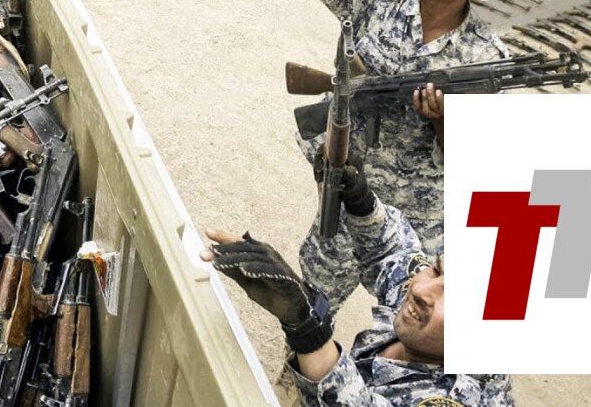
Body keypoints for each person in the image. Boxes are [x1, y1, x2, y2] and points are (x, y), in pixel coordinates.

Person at [225, 0, 508, 312]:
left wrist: (442, 121)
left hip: (419, 211)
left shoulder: (485, 57)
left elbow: (478, 157)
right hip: (349, 184)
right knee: (315, 296)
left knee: (418, 310)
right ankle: (306, 345)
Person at [203, 162, 515, 406]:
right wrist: (363, 205)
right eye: (436, 271)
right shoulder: (431, 316)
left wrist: (308, 329)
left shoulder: (459, 397)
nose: (420, 290)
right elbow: (395, 253)